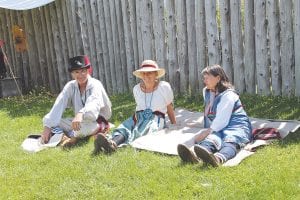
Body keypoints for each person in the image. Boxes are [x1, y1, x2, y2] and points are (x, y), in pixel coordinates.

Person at [93, 59, 176, 154]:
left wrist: (174, 124)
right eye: (144, 73)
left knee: (141, 131)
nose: (146, 76)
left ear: (156, 74)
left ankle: (111, 147)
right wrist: (138, 120)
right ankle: (112, 143)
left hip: (155, 119)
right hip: (138, 116)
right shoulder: (136, 89)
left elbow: (169, 106)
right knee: (125, 127)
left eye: (149, 73)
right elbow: (140, 107)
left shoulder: (164, 87)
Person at [177, 64, 252, 167]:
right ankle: (195, 155)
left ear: (218, 78)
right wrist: (207, 129)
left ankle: (217, 158)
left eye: (208, 78)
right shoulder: (206, 91)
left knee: (230, 140)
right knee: (213, 138)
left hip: (237, 126)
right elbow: (211, 113)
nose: (205, 80)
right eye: (204, 78)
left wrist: (207, 131)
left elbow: (222, 119)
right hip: (220, 127)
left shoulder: (228, 95)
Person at [41, 55, 112, 147]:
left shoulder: (95, 84)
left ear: (88, 71)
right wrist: (47, 127)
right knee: (51, 122)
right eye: (76, 72)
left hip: (96, 120)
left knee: (78, 131)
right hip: (78, 121)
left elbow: (93, 104)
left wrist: (81, 113)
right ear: (72, 74)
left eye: (83, 71)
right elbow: (59, 104)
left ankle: (72, 137)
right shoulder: (70, 86)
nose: (80, 75)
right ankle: (66, 138)